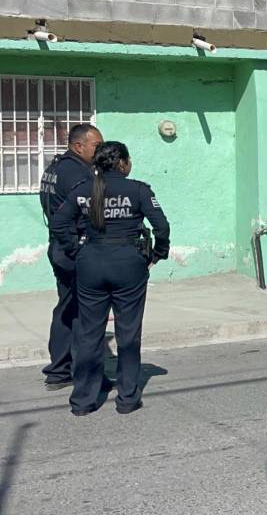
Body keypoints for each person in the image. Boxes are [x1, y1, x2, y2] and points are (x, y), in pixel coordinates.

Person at [49, 142, 170, 416]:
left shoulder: (83, 190)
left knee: (89, 333)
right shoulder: (138, 190)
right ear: (123, 163)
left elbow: (58, 224)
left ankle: (83, 401)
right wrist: (158, 253)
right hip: (129, 264)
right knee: (128, 332)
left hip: (91, 262)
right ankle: (127, 398)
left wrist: (75, 250)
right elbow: (161, 226)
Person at [37, 123, 103, 391]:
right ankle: (85, 373)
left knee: (67, 306)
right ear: (79, 146)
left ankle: (59, 370)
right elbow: (89, 214)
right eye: (96, 146)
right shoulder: (79, 174)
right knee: (87, 312)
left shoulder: (54, 168)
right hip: (76, 247)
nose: (100, 151)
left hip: (59, 247)